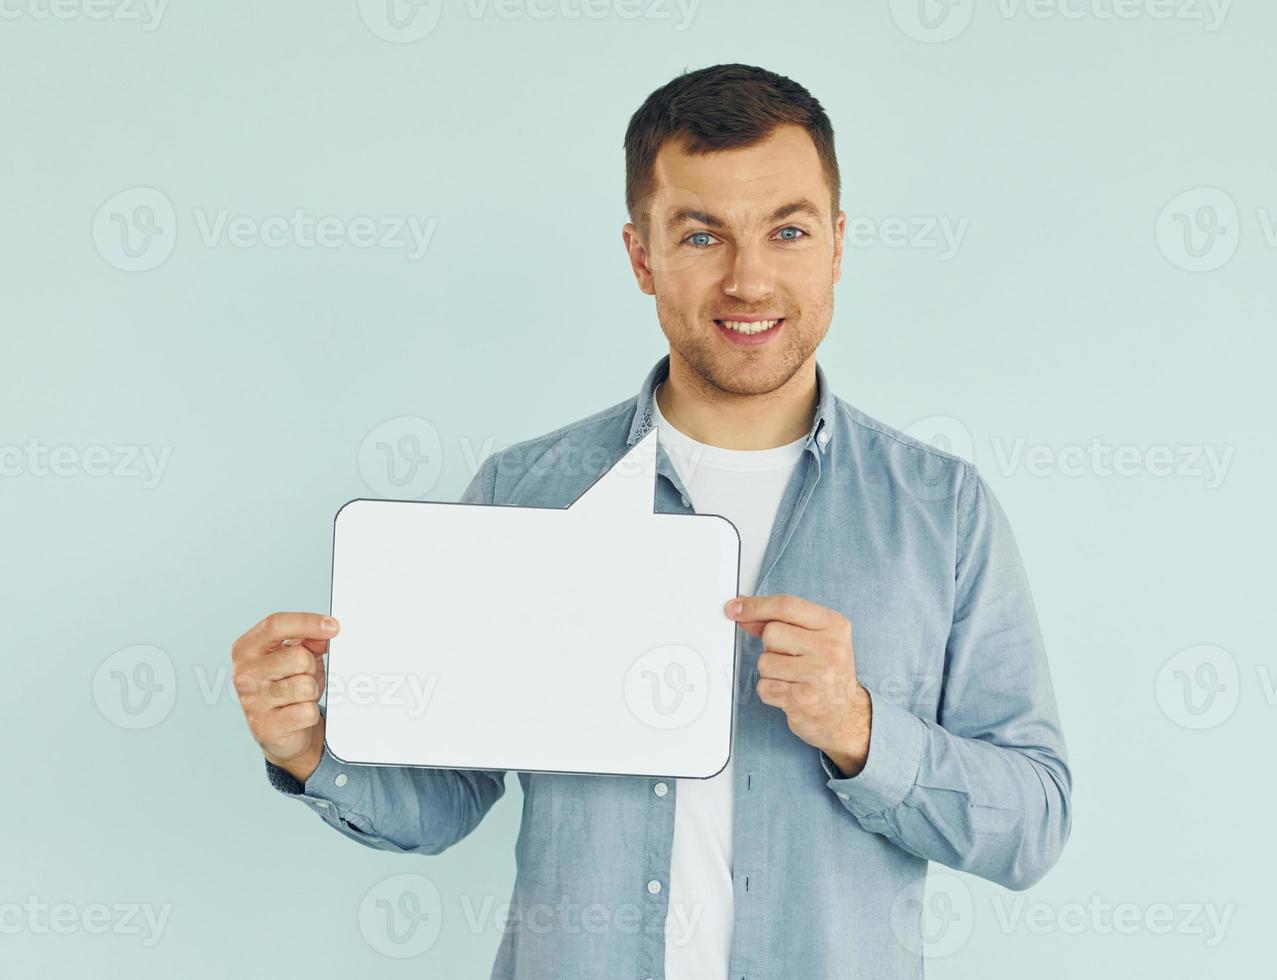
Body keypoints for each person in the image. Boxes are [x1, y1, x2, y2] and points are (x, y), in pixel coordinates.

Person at [229, 63, 1071, 980]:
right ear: (642, 257)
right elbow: (447, 795)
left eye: (787, 231)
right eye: (702, 235)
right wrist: (312, 748)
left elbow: (1032, 824)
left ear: (835, 246)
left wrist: (861, 730)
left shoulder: (941, 511)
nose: (749, 279)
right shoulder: (524, 489)